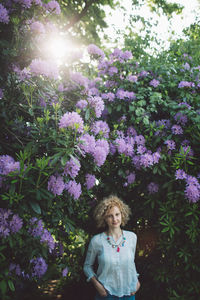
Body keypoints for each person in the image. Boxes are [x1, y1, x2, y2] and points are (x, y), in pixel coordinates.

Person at [83, 195, 140, 299]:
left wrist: (136, 280)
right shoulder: (97, 241)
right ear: (104, 218)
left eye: (117, 214)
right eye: (110, 216)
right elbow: (87, 266)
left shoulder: (132, 237)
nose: (115, 219)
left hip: (129, 292)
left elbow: (131, 263)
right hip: (106, 293)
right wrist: (97, 285)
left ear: (122, 215)